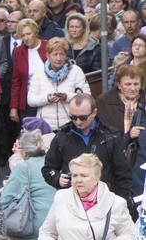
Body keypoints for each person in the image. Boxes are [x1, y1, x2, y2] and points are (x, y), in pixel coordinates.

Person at [42, 94, 133, 205]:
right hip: (73, 203)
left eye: (83, 117)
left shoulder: (111, 136)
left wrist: (125, 203)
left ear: (94, 113)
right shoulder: (62, 136)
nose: (78, 122)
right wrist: (57, 178)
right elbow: (48, 169)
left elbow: (123, 175)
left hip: (104, 202)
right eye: (73, 117)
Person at [38, 153, 136, 240]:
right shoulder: (61, 198)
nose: (78, 180)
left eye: (84, 175)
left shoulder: (116, 203)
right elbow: (47, 233)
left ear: (97, 177)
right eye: (75, 175)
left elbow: (130, 235)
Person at [0, 130, 56, 240]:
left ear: (24, 152)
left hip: (35, 230)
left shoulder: (24, 167)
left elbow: (4, 201)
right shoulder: (53, 164)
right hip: (57, 226)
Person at [96, 65, 146, 197]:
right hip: (114, 161)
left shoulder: (144, 102)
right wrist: (128, 135)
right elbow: (103, 135)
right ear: (118, 85)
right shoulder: (104, 102)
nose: (133, 88)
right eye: (128, 84)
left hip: (140, 161)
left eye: (136, 84)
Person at [27, 38, 91, 131]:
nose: (59, 58)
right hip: (46, 127)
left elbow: (87, 97)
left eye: (62, 54)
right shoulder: (39, 73)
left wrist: (66, 97)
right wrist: (47, 99)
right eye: (55, 54)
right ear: (48, 55)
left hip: (70, 124)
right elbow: (31, 100)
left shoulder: (76, 71)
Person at [10, 19, 48, 121]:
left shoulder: (48, 46)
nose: (26, 38)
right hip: (27, 100)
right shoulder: (18, 51)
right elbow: (16, 81)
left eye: (28, 34)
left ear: (35, 32)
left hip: (47, 97)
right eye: (23, 35)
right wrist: (13, 107)